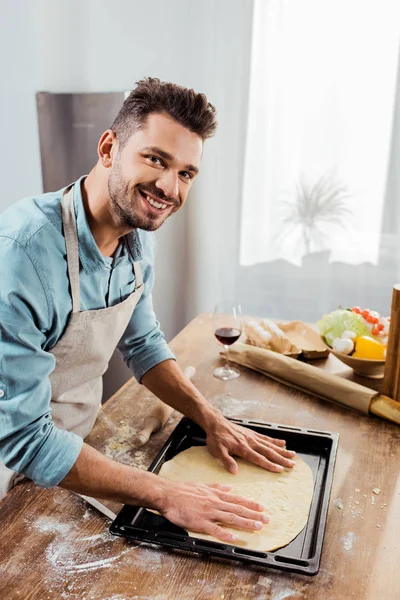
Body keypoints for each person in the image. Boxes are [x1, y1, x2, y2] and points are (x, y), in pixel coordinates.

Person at [0, 78, 295, 542]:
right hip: (9, 463)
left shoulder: (137, 242)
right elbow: (23, 437)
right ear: (108, 148)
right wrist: (165, 494)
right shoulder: (23, 253)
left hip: (74, 450)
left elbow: (143, 344)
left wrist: (210, 419)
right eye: (156, 159)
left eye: (186, 173)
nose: (168, 187)